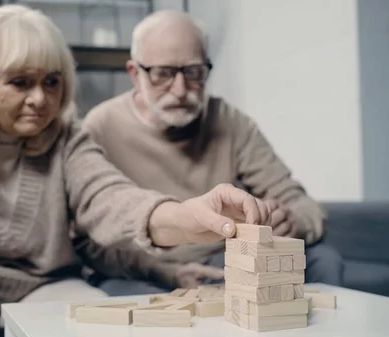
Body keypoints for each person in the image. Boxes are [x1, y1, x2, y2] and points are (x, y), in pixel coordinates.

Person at [0, 5, 271, 337]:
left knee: (102, 320)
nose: (40, 99)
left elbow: (112, 199)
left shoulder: (67, 139)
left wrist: (189, 218)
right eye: (20, 82)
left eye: (51, 82)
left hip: (42, 288)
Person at [82, 9, 344, 296]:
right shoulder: (101, 126)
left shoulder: (231, 122)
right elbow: (88, 239)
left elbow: (304, 206)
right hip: (147, 268)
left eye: (193, 72)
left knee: (323, 260)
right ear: (134, 74)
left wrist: (293, 221)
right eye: (163, 74)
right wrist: (168, 273)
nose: (180, 90)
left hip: (225, 262)